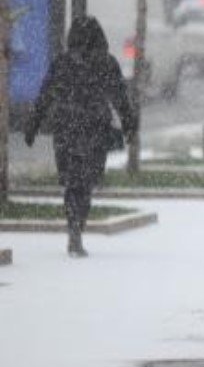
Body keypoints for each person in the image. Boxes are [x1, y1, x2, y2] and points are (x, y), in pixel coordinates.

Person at [25, 15, 137, 257]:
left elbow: (46, 94)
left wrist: (33, 124)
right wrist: (129, 125)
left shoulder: (62, 62)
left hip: (66, 128)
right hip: (95, 128)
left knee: (72, 183)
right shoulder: (106, 63)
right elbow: (120, 97)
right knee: (85, 183)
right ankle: (77, 227)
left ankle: (73, 227)